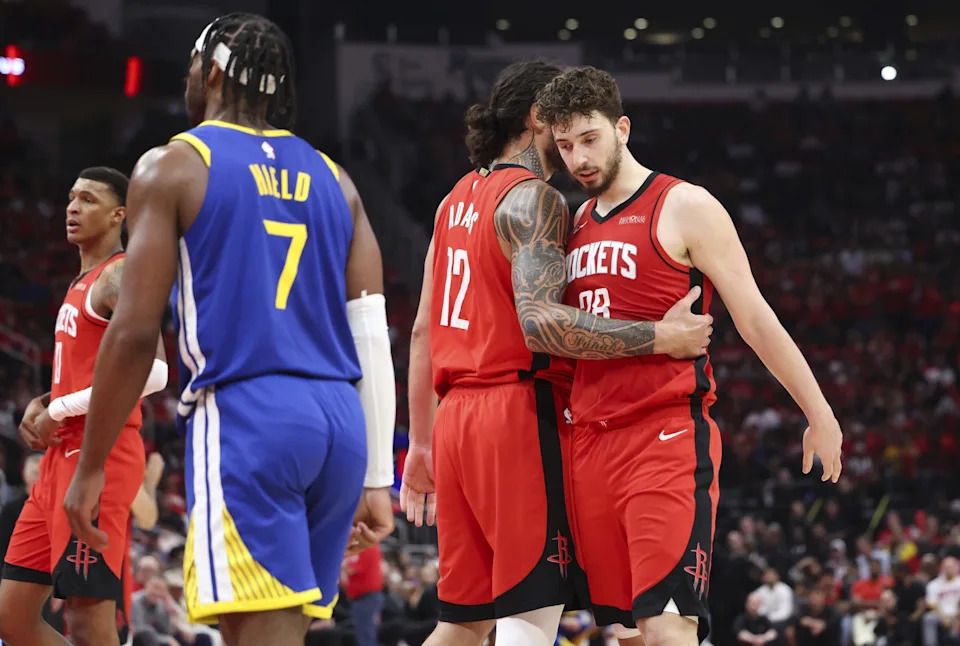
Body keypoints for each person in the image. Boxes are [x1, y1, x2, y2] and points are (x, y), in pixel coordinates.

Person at [61, 13, 397, 646]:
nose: (188, 77)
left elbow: (132, 333)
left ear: (213, 71)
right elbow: (372, 334)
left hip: (250, 412)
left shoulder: (174, 166)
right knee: (283, 629)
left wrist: (92, 465)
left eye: (193, 65)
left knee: (258, 633)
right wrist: (378, 474)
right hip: (340, 424)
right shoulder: (337, 178)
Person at [401, 61, 712, 646]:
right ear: (537, 118)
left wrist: (420, 444)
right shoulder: (535, 198)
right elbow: (541, 323)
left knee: (462, 623)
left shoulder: (451, 201)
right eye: (561, 123)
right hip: (516, 415)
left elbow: (422, 332)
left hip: (452, 422)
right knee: (530, 616)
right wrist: (660, 336)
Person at [535, 65, 844, 646]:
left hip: (664, 436)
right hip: (590, 445)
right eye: (566, 145)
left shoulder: (685, 205)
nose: (578, 158)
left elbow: (754, 318)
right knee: (625, 632)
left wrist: (818, 411)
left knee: (667, 625)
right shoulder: (574, 223)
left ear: (622, 128)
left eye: (590, 138)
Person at [0, 167, 168, 646]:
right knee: (12, 617)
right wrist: (45, 402)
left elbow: (154, 373)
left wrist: (58, 410)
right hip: (58, 461)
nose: (73, 207)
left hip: (100, 455)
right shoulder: (82, 280)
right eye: (72, 197)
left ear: (120, 215)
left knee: (88, 622)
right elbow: (88, 373)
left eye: (89, 200)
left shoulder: (120, 273)